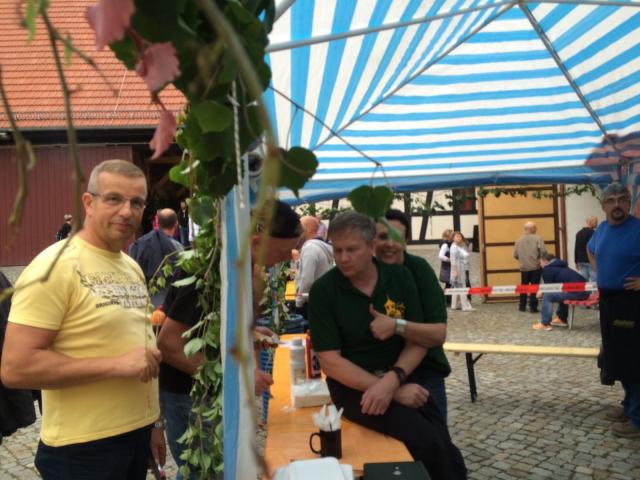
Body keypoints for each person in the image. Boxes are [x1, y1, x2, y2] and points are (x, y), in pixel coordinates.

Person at [0, 159, 165, 479]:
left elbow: (142, 350)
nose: (127, 211)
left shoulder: (130, 266)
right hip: (82, 450)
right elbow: (15, 367)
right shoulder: (54, 267)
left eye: (136, 202)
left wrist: (154, 422)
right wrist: (116, 365)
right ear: (88, 202)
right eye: (114, 199)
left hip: (135, 436)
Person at [308, 211, 467, 480]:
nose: (343, 258)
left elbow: (420, 341)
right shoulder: (324, 290)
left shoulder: (401, 277)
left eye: (351, 250)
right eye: (338, 250)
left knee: (444, 447)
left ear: (371, 247)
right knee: (426, 442)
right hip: (354, 389)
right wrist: (391, 390)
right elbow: (330, 362)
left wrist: (392, 381)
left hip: (402, 376)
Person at [156, 199, 303, 477]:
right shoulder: (209, 270)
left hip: (211, 389)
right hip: (189, 395)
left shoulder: (240, 267)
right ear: (256, 243)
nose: (288, 259)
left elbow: (215, 325)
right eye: (285, 251)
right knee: (202, 470)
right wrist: (239, 376)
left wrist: (250, 334)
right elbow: (169, 344)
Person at [374, 209, 451, 421]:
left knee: (434, 437)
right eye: (383, 236)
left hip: (424, 371)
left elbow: (437, 334)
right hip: (377, 373)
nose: (390, 243)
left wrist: (396, 326)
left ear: (406, 241)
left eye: (397, 237)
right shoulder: (365, 273)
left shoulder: (419, 270)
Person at [587, 182, 640, 438]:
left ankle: (637, 420)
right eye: (611, 200)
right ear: (603, 205)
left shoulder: (638, 228)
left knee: (635, 359)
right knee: (618, 357)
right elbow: (590, 249)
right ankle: (629, 406)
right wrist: (599, 270)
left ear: (629, 203)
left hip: (632, 303)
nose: (616, 204)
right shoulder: (601, 229)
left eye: (621, 199)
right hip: (609, 303)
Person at [129, 208, 183, 308]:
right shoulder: (177, 248)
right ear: (176, 224)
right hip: (166, 303)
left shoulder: (138, 244)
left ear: (157, 222)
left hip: (142, 301)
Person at [532, 253, 589, 331]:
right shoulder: (562, 266)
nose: (540, 265)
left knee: (548, 296)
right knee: (560, 292)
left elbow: (549, 288)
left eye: (540, 263)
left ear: (545, 261)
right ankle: (561, 319)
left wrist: (541, 292)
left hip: (577, 293)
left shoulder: (548, 269)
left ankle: (544, 323)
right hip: (584, 292)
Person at [295, 215, 334, 319]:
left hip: (310, 303)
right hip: (321, 301)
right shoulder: (320, 246)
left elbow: (307, 280)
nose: (297, 233)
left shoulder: (310, 248)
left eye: (299, 229)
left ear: (307, 230)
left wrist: (298, 302)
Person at [514, 221, 546, 313]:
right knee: (534, 287)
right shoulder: (538, 238)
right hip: (535, 267)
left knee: (523, 286)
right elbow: (543, 251)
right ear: (532, 229)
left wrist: (522, 261)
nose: (536, 230)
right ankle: (533, 307)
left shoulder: (519, 240)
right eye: (535, 228)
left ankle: (522, 306)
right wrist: (540, 259)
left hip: (524, 267)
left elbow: (515, 255)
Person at [450, 232, 475, 312]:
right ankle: (465, 306)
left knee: (456, 287)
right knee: (462, 287)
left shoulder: (457, 246)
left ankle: (454, 305)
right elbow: (453, 261)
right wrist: (455, 271)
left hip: (460, 268)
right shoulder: (454, 247)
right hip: (458, 269)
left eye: (460, 236)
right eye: (457, 236)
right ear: (453, 238)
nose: (459, 238)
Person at [575, 216, 598, 282]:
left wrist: (576, 261)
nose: (597, 224)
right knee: (594, 282)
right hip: (591, 260)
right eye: (596, 222)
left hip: (581, 260)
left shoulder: (579, 233)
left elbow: (576, 248)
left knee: (583, 281)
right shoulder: (594, 233)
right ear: (591, 222)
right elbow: (596, 247)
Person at [438, 229, 453, 307]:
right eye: (452, 235)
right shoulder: (445, 245)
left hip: (449, 267)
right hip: (447, 267)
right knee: (448, 284)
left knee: (450, 284)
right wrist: (450, 260)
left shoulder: (449, 244)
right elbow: (440, 256)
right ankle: (447, 301)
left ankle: (448, 300)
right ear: (448, 236)